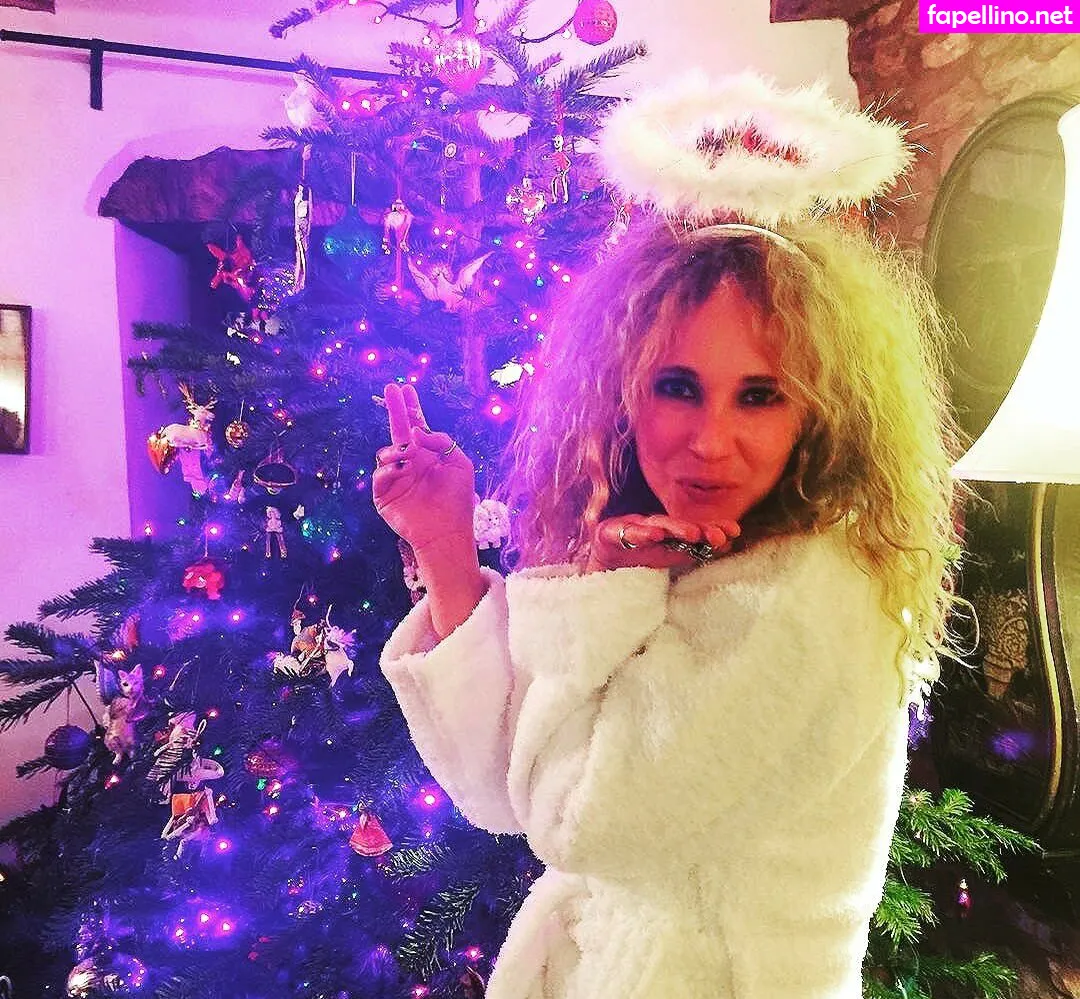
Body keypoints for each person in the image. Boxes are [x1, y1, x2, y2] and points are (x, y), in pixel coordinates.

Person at [373, 73, 965, 999]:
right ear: (623, 391)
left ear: (825, 410)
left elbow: (567, 820)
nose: (710, 440)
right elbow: (498, 791)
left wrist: (598, 587)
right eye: (677, 386)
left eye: (760, 395)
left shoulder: (806, 596)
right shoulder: (681, 550)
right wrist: (446, 545)